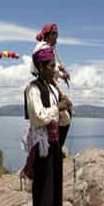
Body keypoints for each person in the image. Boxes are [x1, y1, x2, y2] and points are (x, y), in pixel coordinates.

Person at [23, 46, 71, 206]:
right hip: (42, 151)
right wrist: (57, 108)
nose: (54, 69)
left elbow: (61, 120)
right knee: (43, 198)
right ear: (41, 67)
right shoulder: (33, 89)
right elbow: (38, 116)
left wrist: (65, 109)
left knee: (55, 197)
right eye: (51, 66)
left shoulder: (51, 88)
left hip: (53, 148)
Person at [32, 23, 72, 152]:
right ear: (49, 35)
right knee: (62, 115)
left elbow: (52, 68)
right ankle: (55, 148)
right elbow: (47, 68)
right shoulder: (42, 48)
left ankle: (56, 148)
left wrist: (61, 73)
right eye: (55, 35)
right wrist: (61, 74)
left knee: (65, 115)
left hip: (51, 84)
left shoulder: (48, 48)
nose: (57, 39)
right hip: (45, 85)